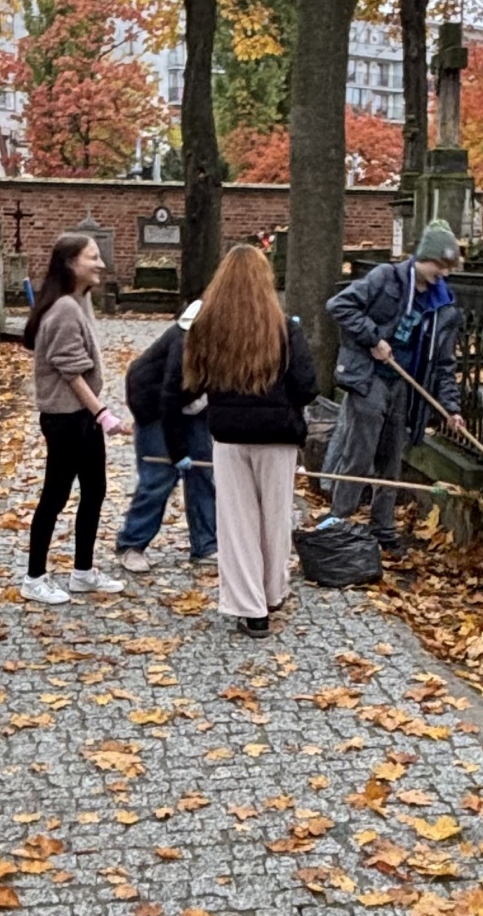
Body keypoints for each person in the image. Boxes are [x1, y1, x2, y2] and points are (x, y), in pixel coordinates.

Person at [163, 244, 316, 634]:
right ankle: (273, 591)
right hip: (278, 436)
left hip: (229, 435)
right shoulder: (285, 329)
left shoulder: (208, 328)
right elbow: (306, 386)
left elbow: (190, 383)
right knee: (275, 518)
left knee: (237, 523)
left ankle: (251, 608)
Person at [320, 221, 467, 547]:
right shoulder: (386, 278)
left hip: (404, 385)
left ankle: (383, 529)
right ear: (424, 257)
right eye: (439, 265)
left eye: (449, 267)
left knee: (391, 459)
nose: (443, 273)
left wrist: (451, 408)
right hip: (369, 376)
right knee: (360, 452)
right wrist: (373, 339)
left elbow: (444, 363)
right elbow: (339, 306)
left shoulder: (444, 307)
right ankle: (338, 522)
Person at [20, 232, 126, 605]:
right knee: (55, 496)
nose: (101, 264)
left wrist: (95, 414)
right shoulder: (64, 308)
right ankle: (34, 578)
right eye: (92, 257)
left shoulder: (78, 301)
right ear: (70, 263)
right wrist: (103, 413)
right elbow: (71, 372)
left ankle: (82, 572)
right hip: (66, 419)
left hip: (82, 417)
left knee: (94, 491)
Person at [114, 301, 216, 573]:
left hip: (193, 404)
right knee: (159, 476)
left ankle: (206, 545)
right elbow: (169, 399)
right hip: (155, 406)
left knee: (203, 472)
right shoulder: (184, 342)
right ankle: (131, 543)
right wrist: (178, 451)